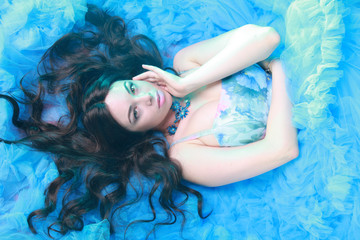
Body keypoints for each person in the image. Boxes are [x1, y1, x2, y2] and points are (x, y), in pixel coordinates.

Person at [0, 3, 298, 239]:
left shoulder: (185, 64)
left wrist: (188, 83)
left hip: (312, 66)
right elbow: (282, 149)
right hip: (313, 127)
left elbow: (266, 37)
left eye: (133, 88)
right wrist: (278, 68)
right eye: (135, 113)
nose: (146, 98)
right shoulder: (184, 153)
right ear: (135, 134)